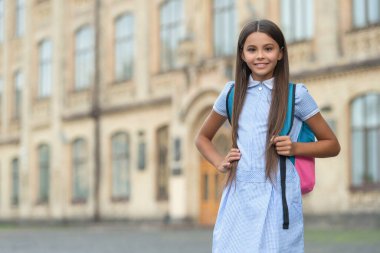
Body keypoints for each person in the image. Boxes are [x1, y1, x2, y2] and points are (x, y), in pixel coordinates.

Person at [194, 19, 340, 253]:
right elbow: (202, 137)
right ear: (242, 54)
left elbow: (332, 145)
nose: (260, 56)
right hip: (239, 194)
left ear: (281, 53)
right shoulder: (231, 93)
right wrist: (219, 161)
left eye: (268, 48)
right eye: (252, 49)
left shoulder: (297, 95)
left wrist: (295, 148)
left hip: (278, 196)